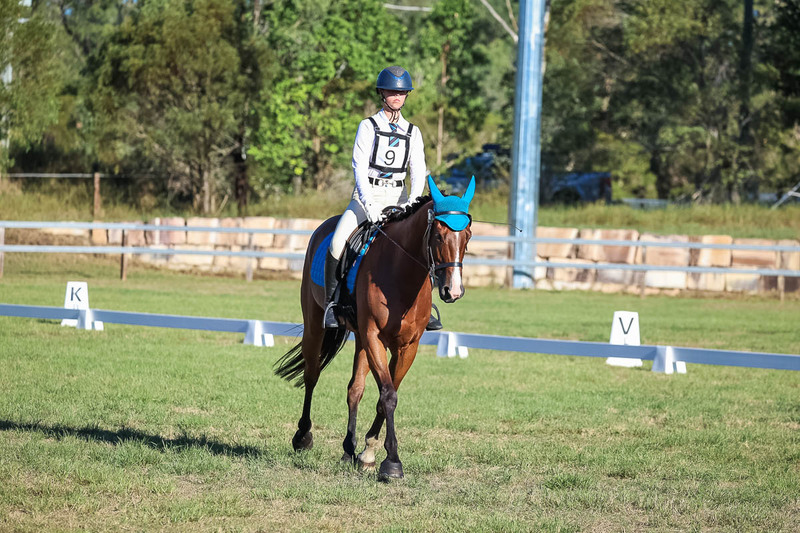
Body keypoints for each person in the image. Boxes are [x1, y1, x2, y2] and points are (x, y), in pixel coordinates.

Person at [323, 65, 442, 331]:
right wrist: (371, 205)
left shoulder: (413, 131)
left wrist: (412, 201)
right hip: (368, 196)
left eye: (401, 92)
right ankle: (332, 305)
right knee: (337, 241)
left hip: (400, 197)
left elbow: (418, 170)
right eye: (391, 91)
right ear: (382, 93)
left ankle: (426, 308)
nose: (397, 96)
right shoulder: (368, 126)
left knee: (423, 243)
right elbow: (359, 168)